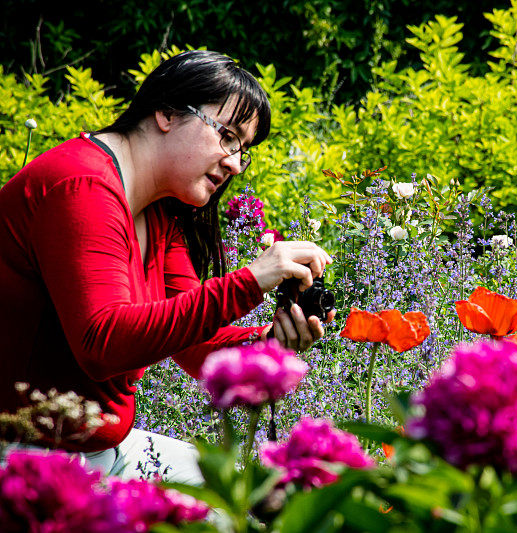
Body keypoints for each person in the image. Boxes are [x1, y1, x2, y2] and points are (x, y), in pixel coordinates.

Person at [0, 50, 333, 484]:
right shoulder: (81, 185)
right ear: (166, 112)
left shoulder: (159, 211)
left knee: (240, 497)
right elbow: (103, 345)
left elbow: (196, 344)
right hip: (27, 458)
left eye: (243, 150)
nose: (234, 162)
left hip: (98, 448)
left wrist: (267, 345)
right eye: (227, 136)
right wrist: (250, 281)